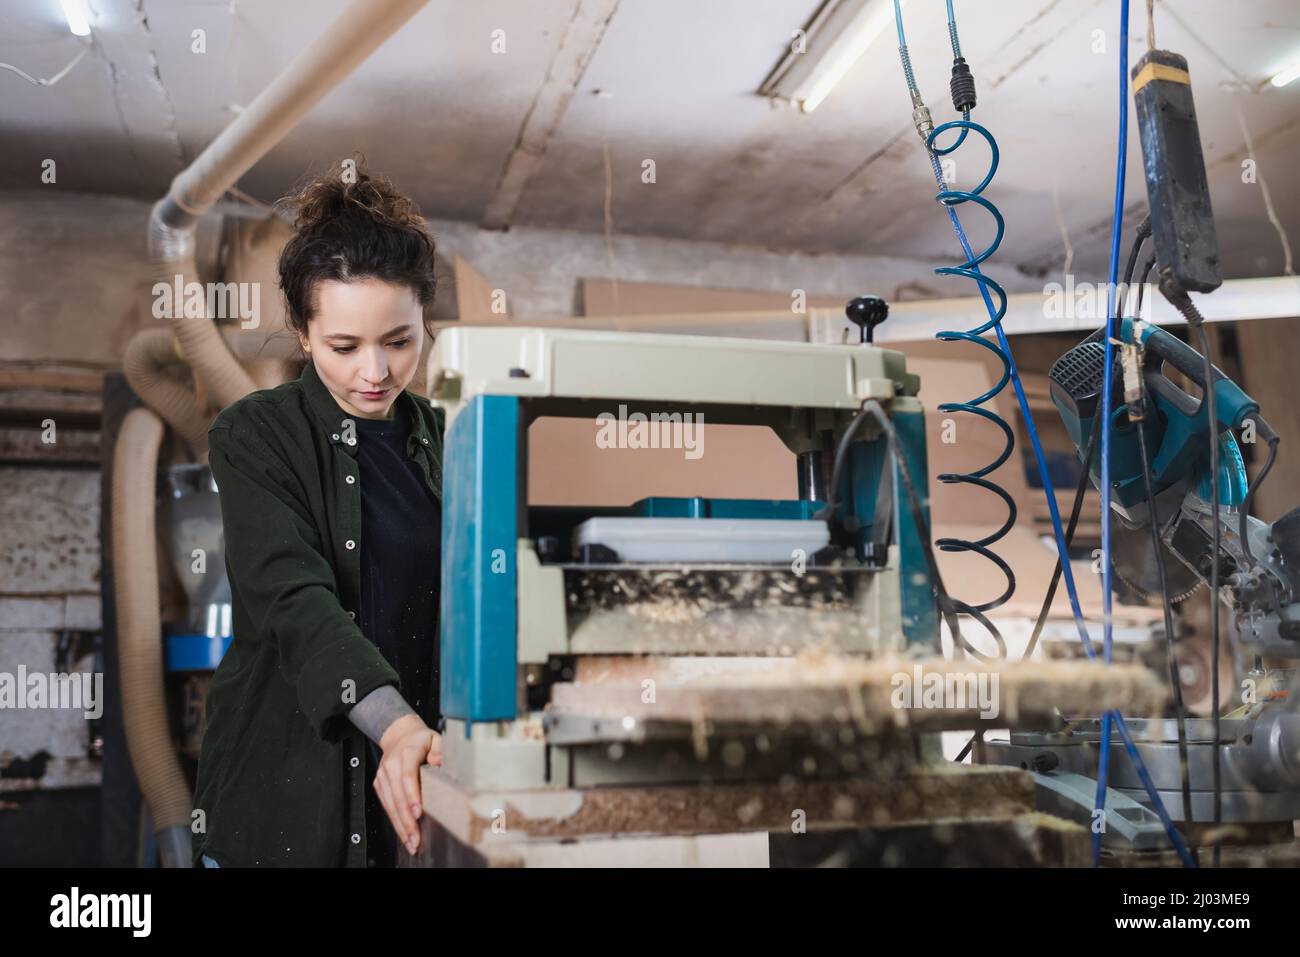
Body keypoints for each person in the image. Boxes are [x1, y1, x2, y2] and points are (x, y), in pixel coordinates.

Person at [191, 163, 445, 867]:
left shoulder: (451, 440)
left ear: (425, 322)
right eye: (344, 346)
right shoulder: (252, 436)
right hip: (282, 816)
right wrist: (394, 725)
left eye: (399, 340)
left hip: (412, 805)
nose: (376, 371)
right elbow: (295, 601)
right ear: (303, 334)